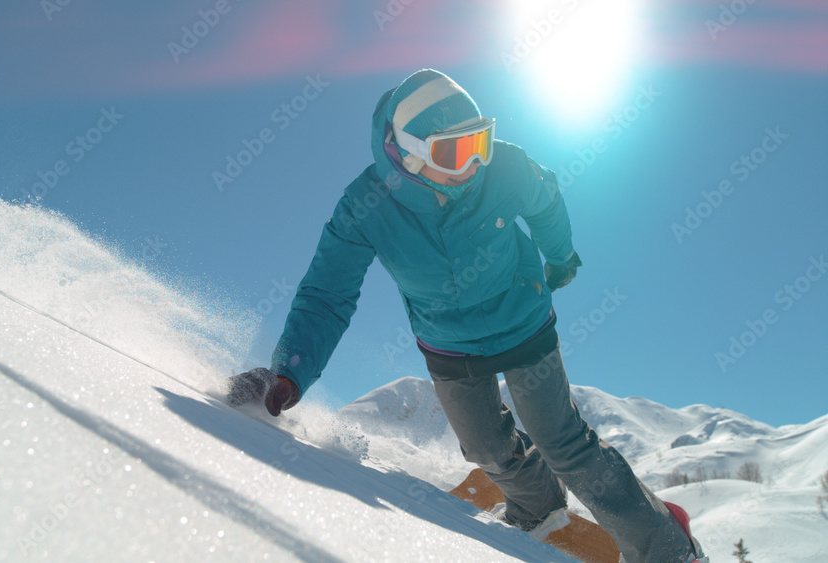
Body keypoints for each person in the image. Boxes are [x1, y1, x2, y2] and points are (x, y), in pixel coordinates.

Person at [228, 69, 707, 563]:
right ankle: (539, 507)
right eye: (456, 150)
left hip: (524, 322)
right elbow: (327, 294)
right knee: (484, 448)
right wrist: (290, 371)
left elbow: (545, 200)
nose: (476, 161)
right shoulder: (364, 207)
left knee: (563, 442)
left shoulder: (504, 168)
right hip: (448, 343)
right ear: (409, 153)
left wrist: (559, 255)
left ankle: (670, 547)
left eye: (481, 140)